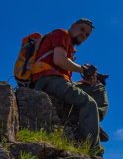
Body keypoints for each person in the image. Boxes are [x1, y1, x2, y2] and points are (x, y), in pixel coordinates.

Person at [33, 18, 108, 151]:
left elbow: (63, 71)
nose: (83, 35)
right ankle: (94, 150)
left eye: (87, 35)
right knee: (89, 103)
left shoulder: (69, 46)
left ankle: (92, 121)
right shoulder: (62, 33)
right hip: (47, 79)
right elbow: (59, 60)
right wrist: (83, 69)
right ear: (73, 26)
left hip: (58, 81)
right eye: (82, 29)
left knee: (97, 88)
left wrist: (88, 78)